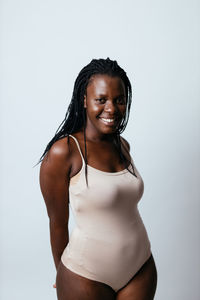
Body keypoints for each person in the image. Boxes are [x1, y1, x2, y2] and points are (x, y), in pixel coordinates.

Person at [38, 57, 157, 300]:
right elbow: (57, 222)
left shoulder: (122, 145)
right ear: (84, 100)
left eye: (119, 100)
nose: (111, 108)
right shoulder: (65, 152)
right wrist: (60, 272)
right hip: (86, 274)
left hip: (140, 267)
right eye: (101, 100)